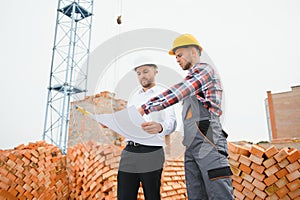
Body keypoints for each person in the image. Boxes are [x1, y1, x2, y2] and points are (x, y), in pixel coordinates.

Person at [138, 34, 234, 199]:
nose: (177, 59)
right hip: (191, 142)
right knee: (195, 193)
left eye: (180, 54)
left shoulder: (204, 70)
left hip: (208, 137)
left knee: (219, 192)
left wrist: (145, 107)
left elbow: (179, 91)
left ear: (194, 52)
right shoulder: (193, 79)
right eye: (176, 56)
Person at [117, 58, 177, 200]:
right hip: (129, 151)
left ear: (155, 71)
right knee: (124, 196)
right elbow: (129, 121)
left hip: (152, 151)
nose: (142, 76)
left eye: (145, 71)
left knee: (151, 195)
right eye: (138, 73)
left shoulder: (164, 94)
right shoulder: (133, 97)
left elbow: (172, 122)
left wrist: (160, 127)